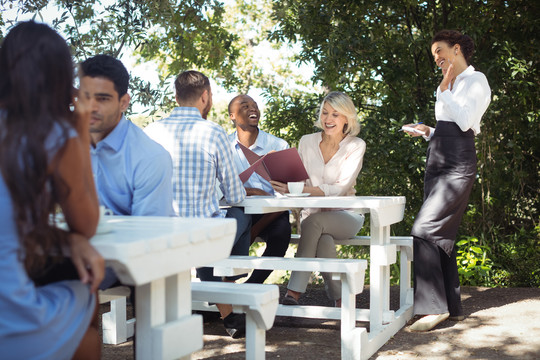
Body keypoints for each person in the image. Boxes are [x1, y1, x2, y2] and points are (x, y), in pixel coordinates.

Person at [0, 21, 104, 359]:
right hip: (10, 321)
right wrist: (79, 130)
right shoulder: (52, 134)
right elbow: (87, 224)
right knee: (88, 291)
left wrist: (64, 239)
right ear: (60, 78)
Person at [144, 70, 250, 338]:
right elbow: (236, 195)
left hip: (159, 232)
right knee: (241, 214)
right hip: (201, 235)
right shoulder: (214, 133)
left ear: (176, 96)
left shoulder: (151, 131)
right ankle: (227, 289)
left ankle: (227, 310)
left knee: (206, 239)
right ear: (205, 96)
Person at [403, 30, 491, 332]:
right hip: (438, 157)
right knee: (441, 235)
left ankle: (432, 308)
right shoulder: (452, 85)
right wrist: (427, 131)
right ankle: (452, 308)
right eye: (434, 55)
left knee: (424, 228)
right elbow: (449, 125)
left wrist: (444, 90)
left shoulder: (476, 81)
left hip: (457, 163)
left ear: (456, 49)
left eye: (440, 51)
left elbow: (466, 122)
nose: (437, 59)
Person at [79, 54, 175, 290]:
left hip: (135, 257)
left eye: (102, 98)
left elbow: (145, 241)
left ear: (124, 102)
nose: (91, 107)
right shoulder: (64, 144)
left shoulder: (150, 157)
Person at [271, 91, 366, 306]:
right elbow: (300, 181)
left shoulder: (356, 145)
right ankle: (341, 299)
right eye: (324, 113)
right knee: (323, 239)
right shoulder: (306, 141)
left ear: (346, 118)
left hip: (347, 216)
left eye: (335, 114)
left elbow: (340, 189)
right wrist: (286, 185)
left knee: (313, 223)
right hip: (314, 217)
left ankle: (293, 292)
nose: (328, 119)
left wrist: (298, 188)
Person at [228, 94, 292, 284]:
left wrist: (255, 230)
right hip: (238, 209)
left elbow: (285, 199)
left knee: (281, 234)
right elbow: (220, 190)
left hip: (272, 212)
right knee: (228, 231)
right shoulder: (222, 146)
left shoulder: (279, 146)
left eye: (255, 105)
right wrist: (254, 191)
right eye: (245, 105)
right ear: (232, 116)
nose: (252, 108)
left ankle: (251, 286)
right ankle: (224, 289)